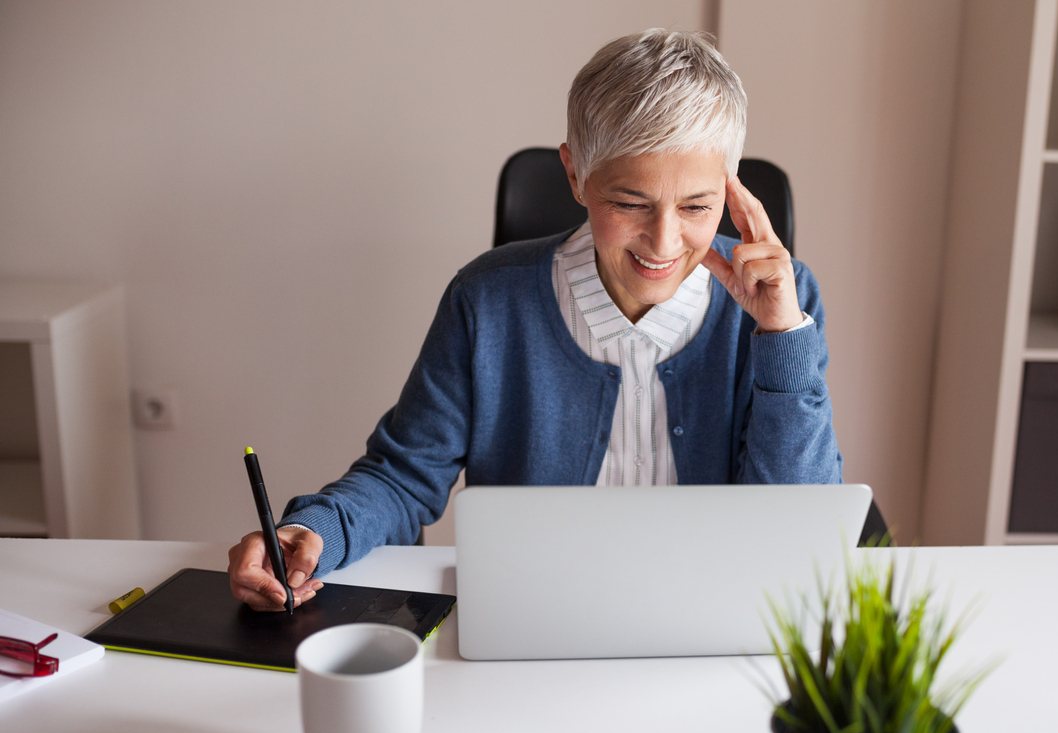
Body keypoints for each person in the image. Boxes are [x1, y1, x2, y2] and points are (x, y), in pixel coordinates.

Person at [228, 29, 842, 611]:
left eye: (697, 206)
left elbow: (796, 531)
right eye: (630, 203)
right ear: (575, 174)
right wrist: (316, 528)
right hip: (533, 616)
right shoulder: (487, 299)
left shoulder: (783, 301)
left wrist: (781, 338)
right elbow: (404, 475)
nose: (663, 241)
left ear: (730, 192)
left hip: (708, 618)